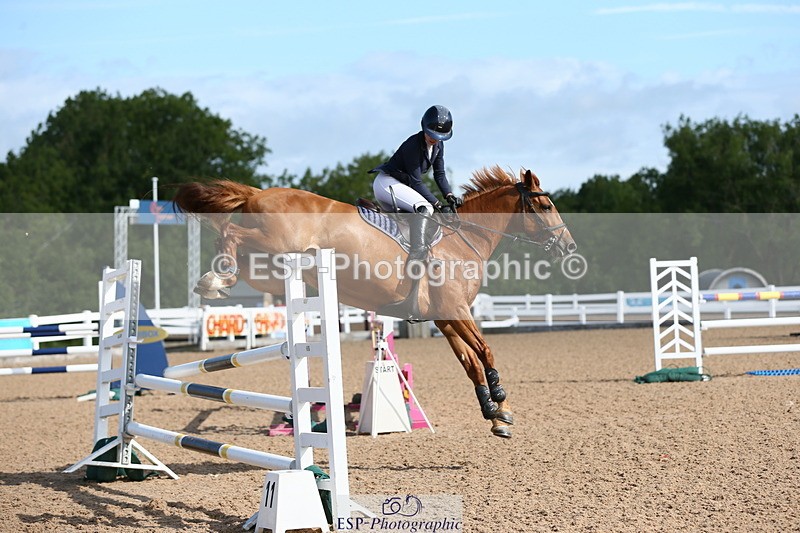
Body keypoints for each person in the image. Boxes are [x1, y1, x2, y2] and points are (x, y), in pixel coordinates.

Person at [371, 105, 463, 264]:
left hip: (401, 184)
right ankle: (417, 254)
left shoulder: (439, 145)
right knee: (426, 208)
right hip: (387, 183)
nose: (434, 139)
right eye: (432, 134)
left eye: (439, 136)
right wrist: (437, 204)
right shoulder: (413, 145)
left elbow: (439, 174)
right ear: (424, 127)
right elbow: (416, 182)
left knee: (424, 212)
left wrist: (449, 196)